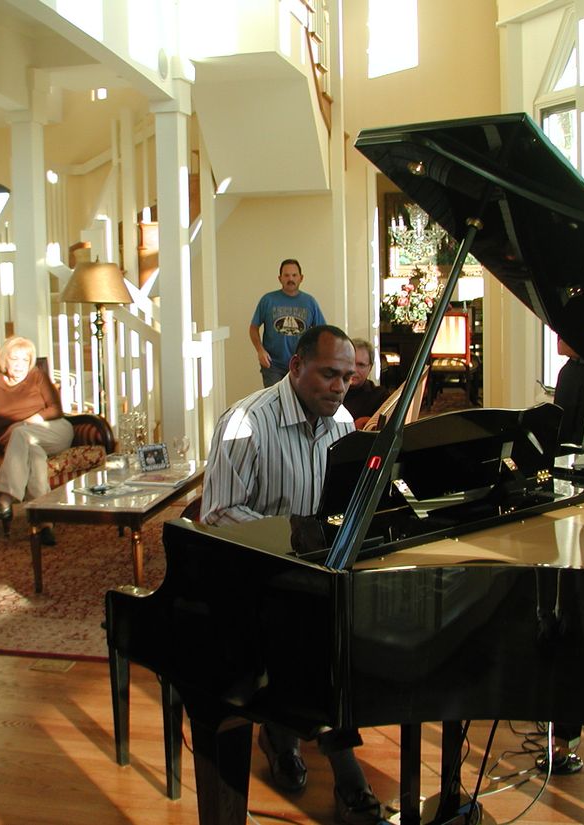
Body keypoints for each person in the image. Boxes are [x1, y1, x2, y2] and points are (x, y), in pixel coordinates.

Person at [202, 325, 383, 825]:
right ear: (295, 366)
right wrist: (293, 538)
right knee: (318, 641)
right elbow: (216, 514)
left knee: (351, 628)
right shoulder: (245, 422)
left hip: (311, 579)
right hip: (252, 577)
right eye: (329, 374)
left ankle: (281, 735)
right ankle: (349, 779)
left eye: (348, 377)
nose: (340, 387)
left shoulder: (343, 423)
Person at [0, 336, 73, 546]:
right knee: (35, 458)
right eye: (14, 359)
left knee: (21, 432)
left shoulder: (37, 376)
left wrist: (26, 422)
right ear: (5, 360)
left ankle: (5, 500)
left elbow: (56, 409)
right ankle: (45, 524)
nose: (19, 365)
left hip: (53, 431)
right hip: (23, 444)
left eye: (25, 360)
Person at [249, 258, 327, 388]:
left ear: (301, 278)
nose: (290, 279)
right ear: (280, 278)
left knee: (299, 403)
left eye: (294, 275)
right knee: (275, 403)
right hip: (272, 365)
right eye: (286, 275)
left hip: (301, 365)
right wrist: (260, 350)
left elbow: (322, 332)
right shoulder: (268, 300)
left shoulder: (310, 302)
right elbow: (253, 328)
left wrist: (315, 357)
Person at [342, 338, 390, 428]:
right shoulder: (330, 391)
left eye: (361, 365)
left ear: (370, 368)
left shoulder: (380, 396)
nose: (353, 369)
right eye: (350, 363)